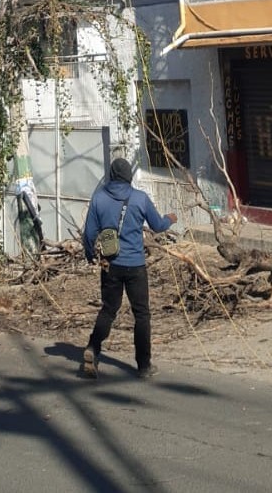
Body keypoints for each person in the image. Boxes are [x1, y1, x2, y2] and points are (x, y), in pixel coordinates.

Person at [81, 157, 177, 379]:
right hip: (135, 266)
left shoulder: (99, 198)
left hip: (110, 265)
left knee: (108, 310)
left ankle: (93, 348)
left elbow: (89, 235)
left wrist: (89, 255)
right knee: (141, 314)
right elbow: (158, 225)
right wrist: (170, 218)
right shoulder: (140, 198)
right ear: (129, 176)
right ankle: (143, 366)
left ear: (112, 175)